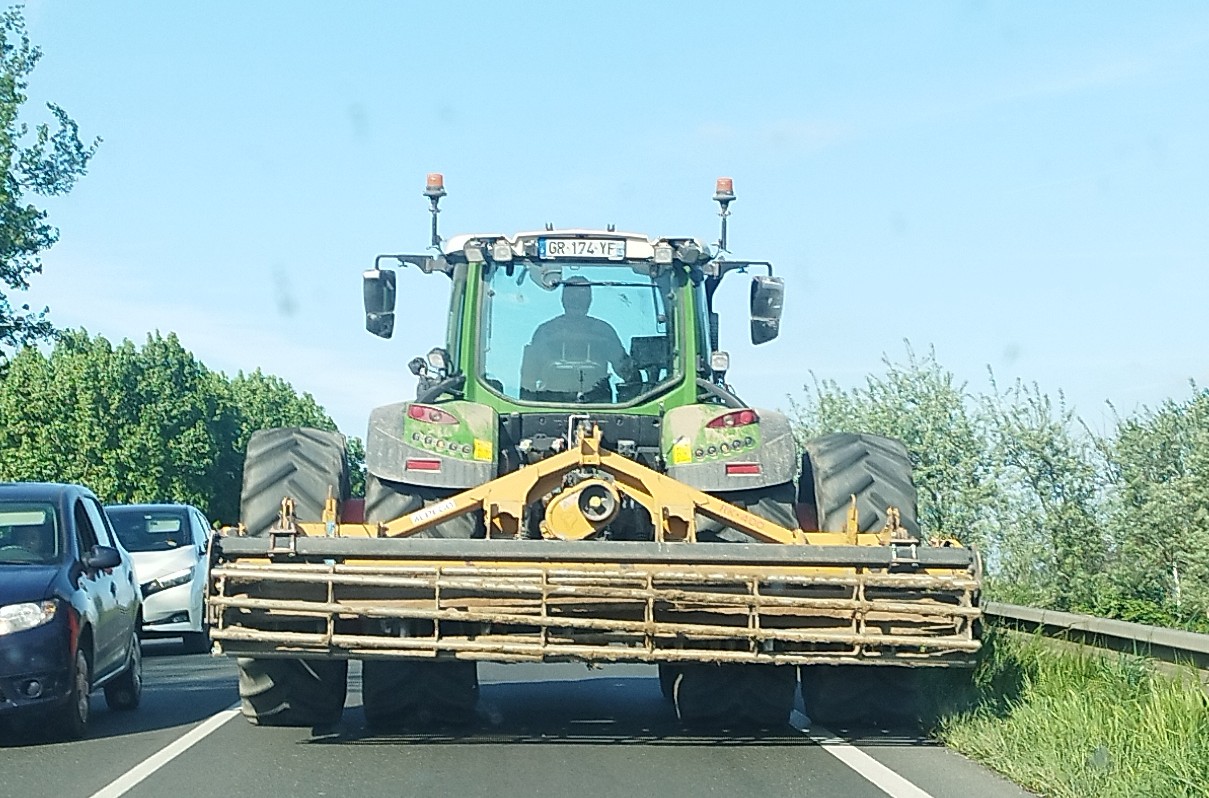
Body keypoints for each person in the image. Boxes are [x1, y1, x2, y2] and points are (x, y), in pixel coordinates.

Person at [521, 277, 635, 401]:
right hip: (549, 409)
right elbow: (528, 381)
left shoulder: (604, 332)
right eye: (572, 297)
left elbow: (628, 374)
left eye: (581, 297)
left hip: (599, 410)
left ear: (589, 300)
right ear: (563, 299)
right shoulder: (544, 333)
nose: (576, 301)